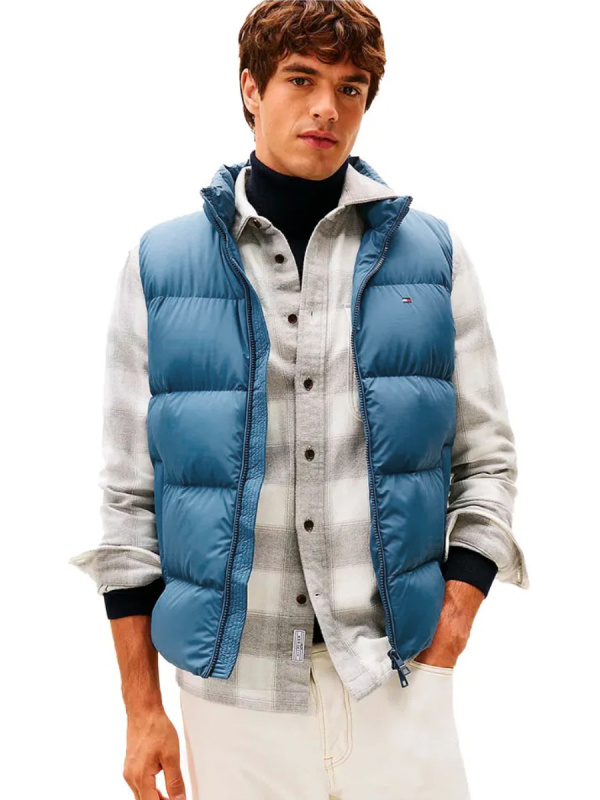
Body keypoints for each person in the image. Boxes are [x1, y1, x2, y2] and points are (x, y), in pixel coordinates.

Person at [68, 1, 530, 798]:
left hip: (395, 679)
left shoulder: (434, 256)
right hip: (230, 699)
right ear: (251, 89)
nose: (327, 108)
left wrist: (455, 617)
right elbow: (128, 500)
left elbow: (486, 459)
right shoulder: (160, 265)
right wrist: (142, 709)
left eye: (350, 89)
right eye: (301, 80)